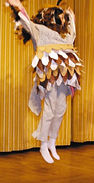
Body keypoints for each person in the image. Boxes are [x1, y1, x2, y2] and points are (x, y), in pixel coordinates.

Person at [6, 0, 82, 163]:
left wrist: (72, 19)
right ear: (53, 18)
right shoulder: (40, 31)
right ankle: (43, 144)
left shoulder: (64, 36)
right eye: (61, 16)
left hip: (62, 77)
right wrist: (18, 7)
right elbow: (26, 22)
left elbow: (72, 36)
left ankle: (52, 141)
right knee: (50, 107)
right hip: (48, 77)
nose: (64, 19)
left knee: (61, 108)